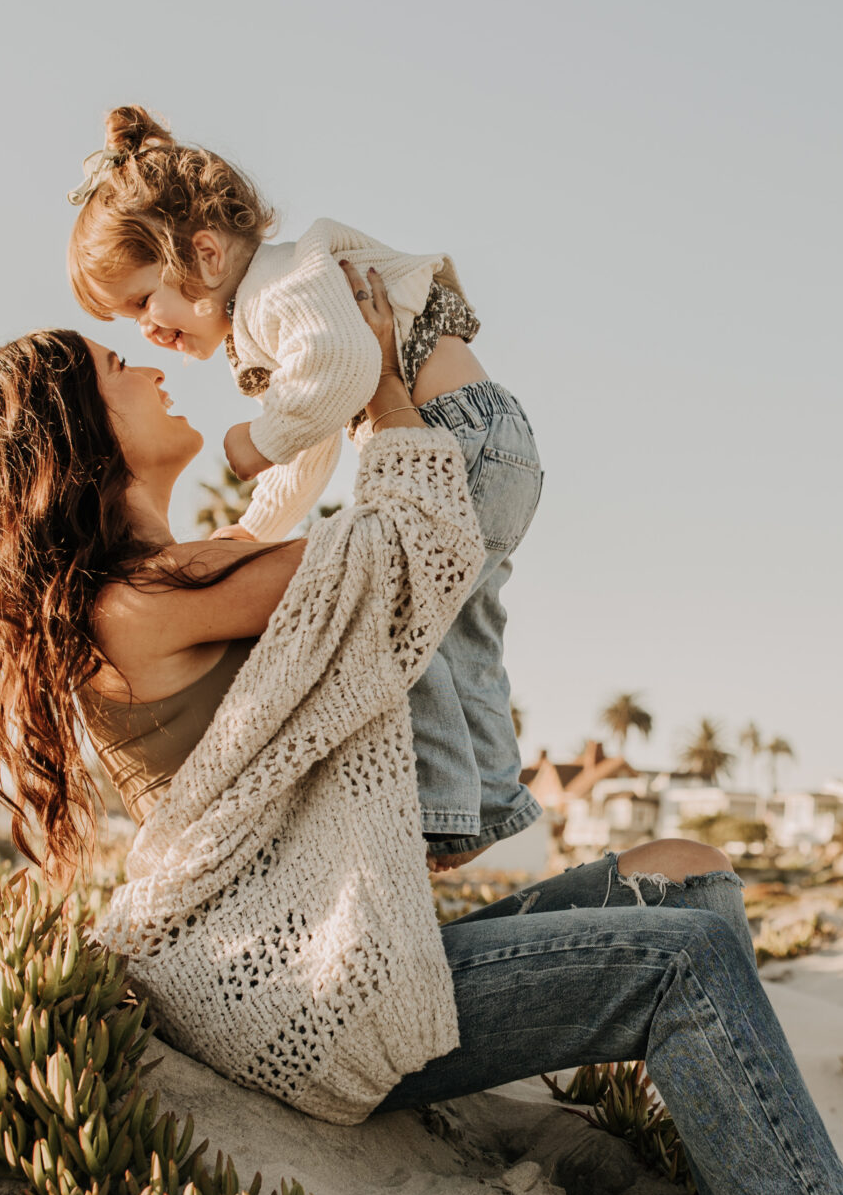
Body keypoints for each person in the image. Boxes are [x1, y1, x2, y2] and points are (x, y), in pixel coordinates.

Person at [0, 274, 843, 1195]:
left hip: (356, 954)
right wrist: (376, 381)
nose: (148, 368)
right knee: (687, 961)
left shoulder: (187, 574)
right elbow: (408, 543)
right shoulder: (132, 609)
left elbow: (373, 572)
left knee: (691, 870)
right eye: (115, 372)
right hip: (309, 1005)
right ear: (73, 442)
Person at [66, 104, 540, 869]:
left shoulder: (279, 291)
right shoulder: (283, 298)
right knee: (462, 632)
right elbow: (319, 438)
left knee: (403, 620)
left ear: (206, 253)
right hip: (488, 438)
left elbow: (341, 380)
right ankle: (487, 798)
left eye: (143, 301)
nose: (147, 331)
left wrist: (258, 439)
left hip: (453, 437)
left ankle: (442, 812)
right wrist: (258, 524)